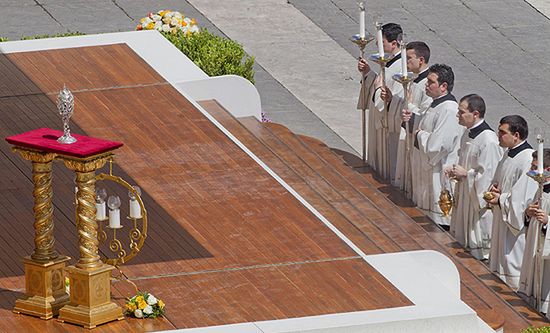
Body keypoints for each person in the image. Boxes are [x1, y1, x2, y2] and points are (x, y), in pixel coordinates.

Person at [484, 115, 538, 289]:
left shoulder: (528, 159)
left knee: (512, 266)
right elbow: (501, 182)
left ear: (516, 135)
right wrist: (495, 190)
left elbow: (524, 198)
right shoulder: (509, 154)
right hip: (503, 216)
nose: (498, 135)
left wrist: (501, 198)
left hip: (515, 227)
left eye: (502, 132)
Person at [447, 94, 503, 260]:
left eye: (462, 112)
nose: (458, 115)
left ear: (476, 114)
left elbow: (489, 175)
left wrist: (466, 174)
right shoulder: (468, 133)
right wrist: (456, 170)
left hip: (476, 201)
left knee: (479, 249)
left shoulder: (489, 140)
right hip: (465, 192)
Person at [414, 64, 463, 228]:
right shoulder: (435, 103)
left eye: (430, 82)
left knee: (440, 222)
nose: (426, 85)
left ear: (444, 86)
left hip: (440, 171)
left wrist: (419, 135)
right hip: (430, 169)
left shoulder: (449, 109)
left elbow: (438, 146)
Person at [357, 23, 403, 180]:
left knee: (386, 164)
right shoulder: (389, 63)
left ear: (394, 43)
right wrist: (368, 73)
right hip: (377, 120)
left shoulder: (400, 68)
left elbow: (393, 98)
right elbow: (379, 83)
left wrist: (377, 89)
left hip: (386, 125)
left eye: (381, 41)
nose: (377, 44)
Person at [389, 41, 432, 196]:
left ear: (420, 60)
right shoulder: (414, 79)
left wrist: (410, 106)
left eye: (409, 58)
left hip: (415, 134)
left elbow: (426, 114)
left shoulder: (427, 84)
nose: (405, 62)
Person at [518, 149, 550, 313]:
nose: (531, 170)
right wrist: (528, 214)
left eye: (534, 167)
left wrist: (547, 222)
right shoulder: (540, 188)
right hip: (534, 247)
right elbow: (528, 219)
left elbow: (545, 220)